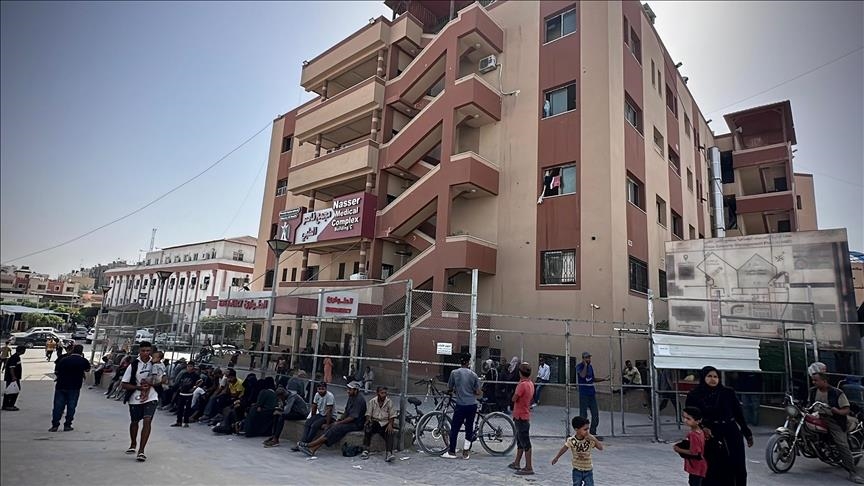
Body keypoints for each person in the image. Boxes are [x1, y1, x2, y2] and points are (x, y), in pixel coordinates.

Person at [685, 366, 753, 486]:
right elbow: (690, 416)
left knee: (737, 464)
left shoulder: (727, 392)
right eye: (709, 376)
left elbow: (738, 413)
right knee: (714, 466)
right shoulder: (694, 395)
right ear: (703, 377)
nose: (713, 379)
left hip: (731, 431)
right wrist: (702, 427)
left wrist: (746, 432)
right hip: (710, 433)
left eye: (715, 376)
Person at [810, 372, 864, 483]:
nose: (813, 382)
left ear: (824, 381)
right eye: (813, 380)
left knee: (842, 444)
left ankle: (852, 472)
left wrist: (837, 411)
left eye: (816, 380)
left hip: (834, 420)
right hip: (818, 416)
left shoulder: (837, 393)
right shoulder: (813, 391)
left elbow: (846, 409)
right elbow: (809, 405)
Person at [121, 341, 164, 462]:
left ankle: (141, 450)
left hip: (152, 396)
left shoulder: (156, 363)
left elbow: (164, 377)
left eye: (148, 351)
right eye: (143, 351)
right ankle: (133, 443)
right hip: (136, 397)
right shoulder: (134, 365)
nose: (146, 353)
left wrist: (157, 382)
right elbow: (124, 384)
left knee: (147, 420)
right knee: (134, 422)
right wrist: (138, 388)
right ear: (139, 351)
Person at [299, 381, 367, 457]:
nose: (348, 391)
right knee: (330, 428)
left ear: (356, 390)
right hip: (349, 421)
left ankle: (309, 445)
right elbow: (346, 412)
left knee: (335, 428)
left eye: (350, 390)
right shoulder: (351, 397)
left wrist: (339, 423)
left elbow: (352, 417)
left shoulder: (359, 400)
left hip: (356, 424)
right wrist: (340, 419)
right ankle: (312, 449)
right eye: (348, 389)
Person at [442, 353, 481, 459]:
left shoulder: (454, 373)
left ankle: (452, 452)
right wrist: (471, 391)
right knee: (469, 428)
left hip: (461, 404)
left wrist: (455, 390)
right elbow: (478, 392)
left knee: (455, 428)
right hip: (472, 404)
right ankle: (466, 453)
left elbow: (450, 387)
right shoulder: (474, 375)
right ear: (469, 362)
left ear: (460, 362)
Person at [551, 416, 604, 486]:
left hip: (588, 469)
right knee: (576, 484)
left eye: (588, 429)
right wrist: (557, 457)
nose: (587, 432)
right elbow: (564, 448)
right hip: (577, 469)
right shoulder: (571, 440)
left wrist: (594, 439)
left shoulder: (589, 439)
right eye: (585, 429)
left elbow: (600, 448)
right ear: (576, 429)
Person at [50, 344, 91, 432]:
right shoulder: (83, 361)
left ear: (73, 350)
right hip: (74, 387)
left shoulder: (64, 360)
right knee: (71, 406)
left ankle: (55, 425)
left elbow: (57, 371)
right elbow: (87, 369)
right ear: (81, 352)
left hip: (61, 385)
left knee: (58, 406)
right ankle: (67, 425)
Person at [293, 382, 335, 451]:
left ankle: (306, 444)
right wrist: (312, 418)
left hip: (329, 416)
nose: (321, 391)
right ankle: (302, 442)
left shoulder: (329, 396)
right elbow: (314, 407)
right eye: (319, 389)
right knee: (308, 423)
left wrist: (327, 424)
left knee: (314, 425)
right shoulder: (317, 395)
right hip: (321, 414)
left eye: (323, 389)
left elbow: (329, 411)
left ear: (326, 389)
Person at [510, 362, 535, 475]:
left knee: (525, 442)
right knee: (520, 440)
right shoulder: (530, 383)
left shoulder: (522, 385)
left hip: (520, 415)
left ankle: (529, 467)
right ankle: (517, 462)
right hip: (524, 414)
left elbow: (514, 398)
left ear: (520, 373)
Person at [673, 407, 708, 486]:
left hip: (696, 465)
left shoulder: (693, 434)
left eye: (688, 419)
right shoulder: (700, 431)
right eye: (684, 417)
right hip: (700, 464)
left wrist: (678, 449)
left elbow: (695, 452)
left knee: (694, 482)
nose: (685, 420)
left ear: (698, 421)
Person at [361, 386, 397, 462]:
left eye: (385, 393)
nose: (384, 395)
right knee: (368, 428)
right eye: (382, 393)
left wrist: (390, 424)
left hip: (385, 423)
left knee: (390, 432)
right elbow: (368, 414)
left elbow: (392, 415)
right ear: (377, 393)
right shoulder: (372, 401)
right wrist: (368, 420)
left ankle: (389, 453)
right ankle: (365, 450)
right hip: (375, 422)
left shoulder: (389, 402)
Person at [576, 351, 607, 438]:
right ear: (583, 359)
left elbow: (592, 379)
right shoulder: (579, 366)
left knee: (595, 414)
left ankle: (593, 432)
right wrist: (585, 365)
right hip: (584, 394)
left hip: (591, 394)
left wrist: (604, 379)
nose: (588, 359)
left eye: (589, 358)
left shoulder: (590, 367)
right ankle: (582, 433)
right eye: (586, 358)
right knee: (583, 415)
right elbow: (582, 375)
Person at [170, 361, 199, 428]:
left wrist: (194, 388)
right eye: (188, 366)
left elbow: (200, 382)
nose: (189, 368)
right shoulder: (184, 374)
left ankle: (186, 422)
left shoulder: (195, 375)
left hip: (189, 394)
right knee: (180, 408)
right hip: (182, 393)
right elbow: (180, 381)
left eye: (191, 366)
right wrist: (180, 387)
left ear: (193, 367)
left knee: (187, 409)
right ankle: (178, 422)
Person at [2, 345, 27, 411]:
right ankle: (9, 405)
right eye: (24, 350)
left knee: (11, 391)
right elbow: (11, 368)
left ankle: (7, 405)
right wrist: (13, 377)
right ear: (21, 351)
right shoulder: (14, 358)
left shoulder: (17, 357)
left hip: (14, 377)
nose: (24, 351)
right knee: (12, 391)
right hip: (12, 378)